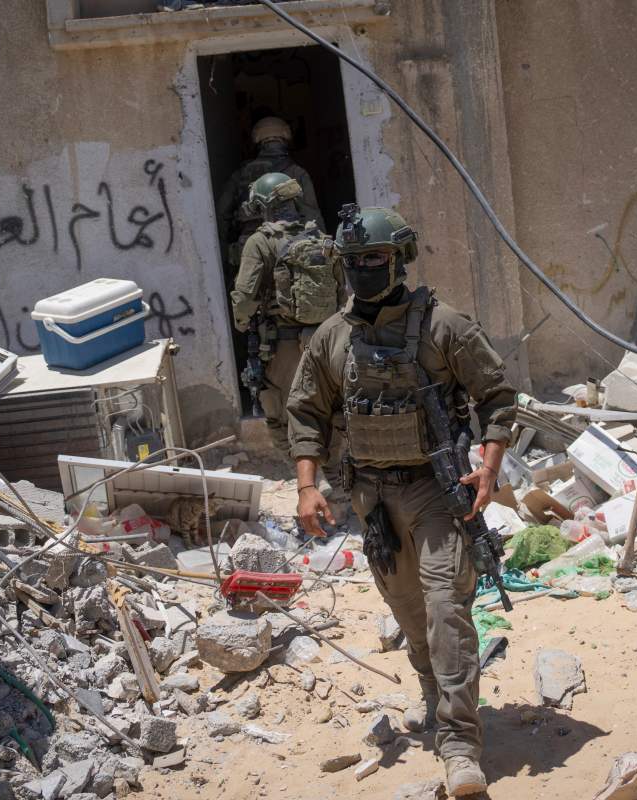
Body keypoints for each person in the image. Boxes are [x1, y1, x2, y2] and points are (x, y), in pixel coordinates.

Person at [285, 205, 515, 797]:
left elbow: (496, 397)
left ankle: (461, 746)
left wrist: (488, 468)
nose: (364, 269)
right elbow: (307, 412)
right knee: (411, 615)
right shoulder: (332, 338)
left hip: (436, 492)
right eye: (355, 260)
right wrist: (308, 486)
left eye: (376, 259)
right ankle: (434, 695)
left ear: (398, 261)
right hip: (372, 500)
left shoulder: (446, 327)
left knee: (446, 612)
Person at [230, 172, 345, 453]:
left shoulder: (260, 241)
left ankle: (310, 482)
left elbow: (245, 297)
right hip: (326, 340)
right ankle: (333, 480)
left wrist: (242, 324)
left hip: (283, 345)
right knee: (329, 409)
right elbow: (342, 290)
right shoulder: (321, 237)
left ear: (263, 205)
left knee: (280, 414)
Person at [216, 116, 324, 271]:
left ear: (257, 140)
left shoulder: (240, 174)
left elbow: (221, 214)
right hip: (290, 247)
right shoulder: (297, 172)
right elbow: (312, 215)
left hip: (249, 249)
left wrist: (223, 253)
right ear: (286, 137)